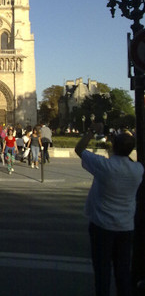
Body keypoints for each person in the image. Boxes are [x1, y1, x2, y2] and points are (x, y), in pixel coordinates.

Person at [75, 122, 144, 296]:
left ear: (113, 146)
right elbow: (126, 157)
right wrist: (119, 145)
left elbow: (79, 149)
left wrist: (91, 131)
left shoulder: (104, 166)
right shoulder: (137, 169)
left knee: (102, 270)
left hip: (102, 226)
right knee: (122, 271)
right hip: (126, 227)